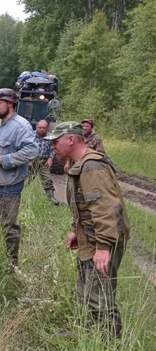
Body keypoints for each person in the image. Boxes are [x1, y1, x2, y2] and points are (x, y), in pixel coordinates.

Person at [45, 121, 129, 338]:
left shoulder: (91, 166)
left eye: (56, 141)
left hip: (101, 239)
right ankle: (87, 333)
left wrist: (103, 246)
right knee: (85, 290)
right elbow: (85, 205)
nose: (52, 145)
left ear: (71, 139)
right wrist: (76, 230)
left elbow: (106, 208)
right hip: (90, 236)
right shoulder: (80, 163)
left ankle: (109, 341)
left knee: (100, 296)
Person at [0, 88, 38, 268]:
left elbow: (31, 150)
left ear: (11, 104)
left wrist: (4, 160)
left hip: (8, 184)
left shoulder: (21, 126)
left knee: (8, 226)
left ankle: (12, 264)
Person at [29, 120, 59, 205]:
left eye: (44, 128)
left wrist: (50, 158)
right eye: (40, 127)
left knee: (47, 179)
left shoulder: (50, 137)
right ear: (36, 127)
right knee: (26, 179)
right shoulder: (30, 135)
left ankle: (51, 198)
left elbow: (53, 150)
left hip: (44, 161)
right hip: (31, 161)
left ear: (47, 128)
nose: (42, 129)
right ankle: (22, 195)